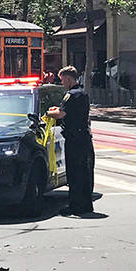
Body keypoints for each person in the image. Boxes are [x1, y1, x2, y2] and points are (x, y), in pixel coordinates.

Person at [47, 65, 95, 216]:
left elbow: (60, 114)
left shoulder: (70, 95)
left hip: (74, 139)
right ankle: (86, 205)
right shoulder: (82, 93)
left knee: (74, 174)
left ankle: (75, 206)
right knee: (85, 173)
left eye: (62, 80)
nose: (62, 83)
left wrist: (48, 112)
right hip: (84, 137)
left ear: (68, 79)